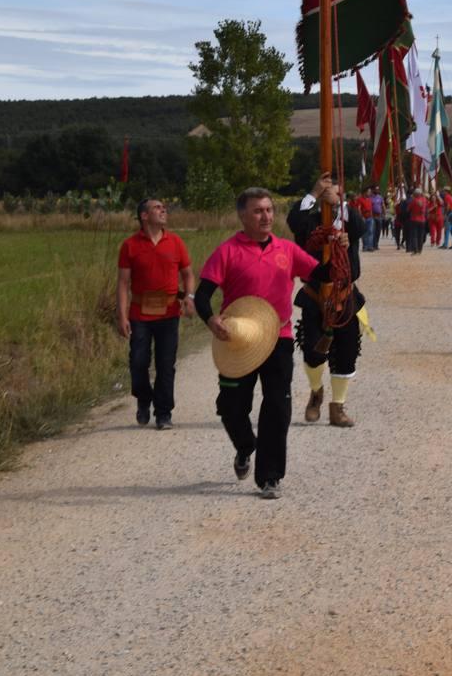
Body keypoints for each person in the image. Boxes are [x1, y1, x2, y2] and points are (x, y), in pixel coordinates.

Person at [194, 188, 325, 499]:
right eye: (258, 211)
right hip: (237, 339)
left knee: (278, 407)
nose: (266, 216)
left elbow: (322, 274)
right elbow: (202, 296)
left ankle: (269, 477)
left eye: (269, 210)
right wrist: (212, 320)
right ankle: (245, 446)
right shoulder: (227, 251)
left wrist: (338, 248)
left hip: (278, 337)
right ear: (242, 215)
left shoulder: (287, 249)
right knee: (230, 407)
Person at [287, 174, 365, 427]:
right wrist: (313, 192)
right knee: (312, 350)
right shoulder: (308, 221)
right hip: (315, 294)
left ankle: (338, 406)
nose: (329, 192)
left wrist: (341, 204)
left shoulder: (347, 220)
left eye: (334, 189)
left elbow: (360, 227)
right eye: (326, 189)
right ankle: (315, 393)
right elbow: (293, 221)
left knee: (347, 351)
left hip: (345, 295)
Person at [116, 198, 194, 429]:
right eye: (157, 208)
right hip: (139, 314)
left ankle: (163, 413)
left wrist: (189, 298)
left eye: (163, 208)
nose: (163, 210)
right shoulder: (129, 245)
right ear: (144, 216)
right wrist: (121, 316)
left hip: (169, 313)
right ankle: (143, 397)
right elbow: (122, 283)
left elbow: (188, 274)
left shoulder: (176, 242)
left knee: (166, 363)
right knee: (138, 361)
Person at [407, 188, 429, 254]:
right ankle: (420, 250)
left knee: (415, 236)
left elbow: (408, 209)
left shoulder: (414, 201)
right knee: (421, 235)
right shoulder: (424, 200)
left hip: (414, 219)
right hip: (422, 220)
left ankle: (415, 250)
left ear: (415, 194)